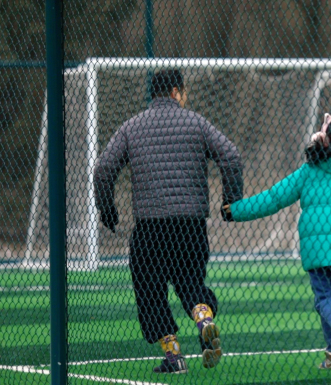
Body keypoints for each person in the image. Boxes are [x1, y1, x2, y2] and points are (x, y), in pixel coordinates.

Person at [94, 69, 243, 374]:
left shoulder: (131, 127)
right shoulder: (196, 123)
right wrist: (231, 201)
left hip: (150, 226)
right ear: (176, 91)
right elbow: (231, 156)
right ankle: (203, 317)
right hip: (190, 224)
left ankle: (173, 356)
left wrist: (107, 209)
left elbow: (103, 169)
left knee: (149, 289)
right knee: (190, 281)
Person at [224, 114, 331, 370]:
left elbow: (274, 197)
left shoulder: (311, 169)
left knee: (325, 297)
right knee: (329, 296)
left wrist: (235, 211)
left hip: (317, 247)